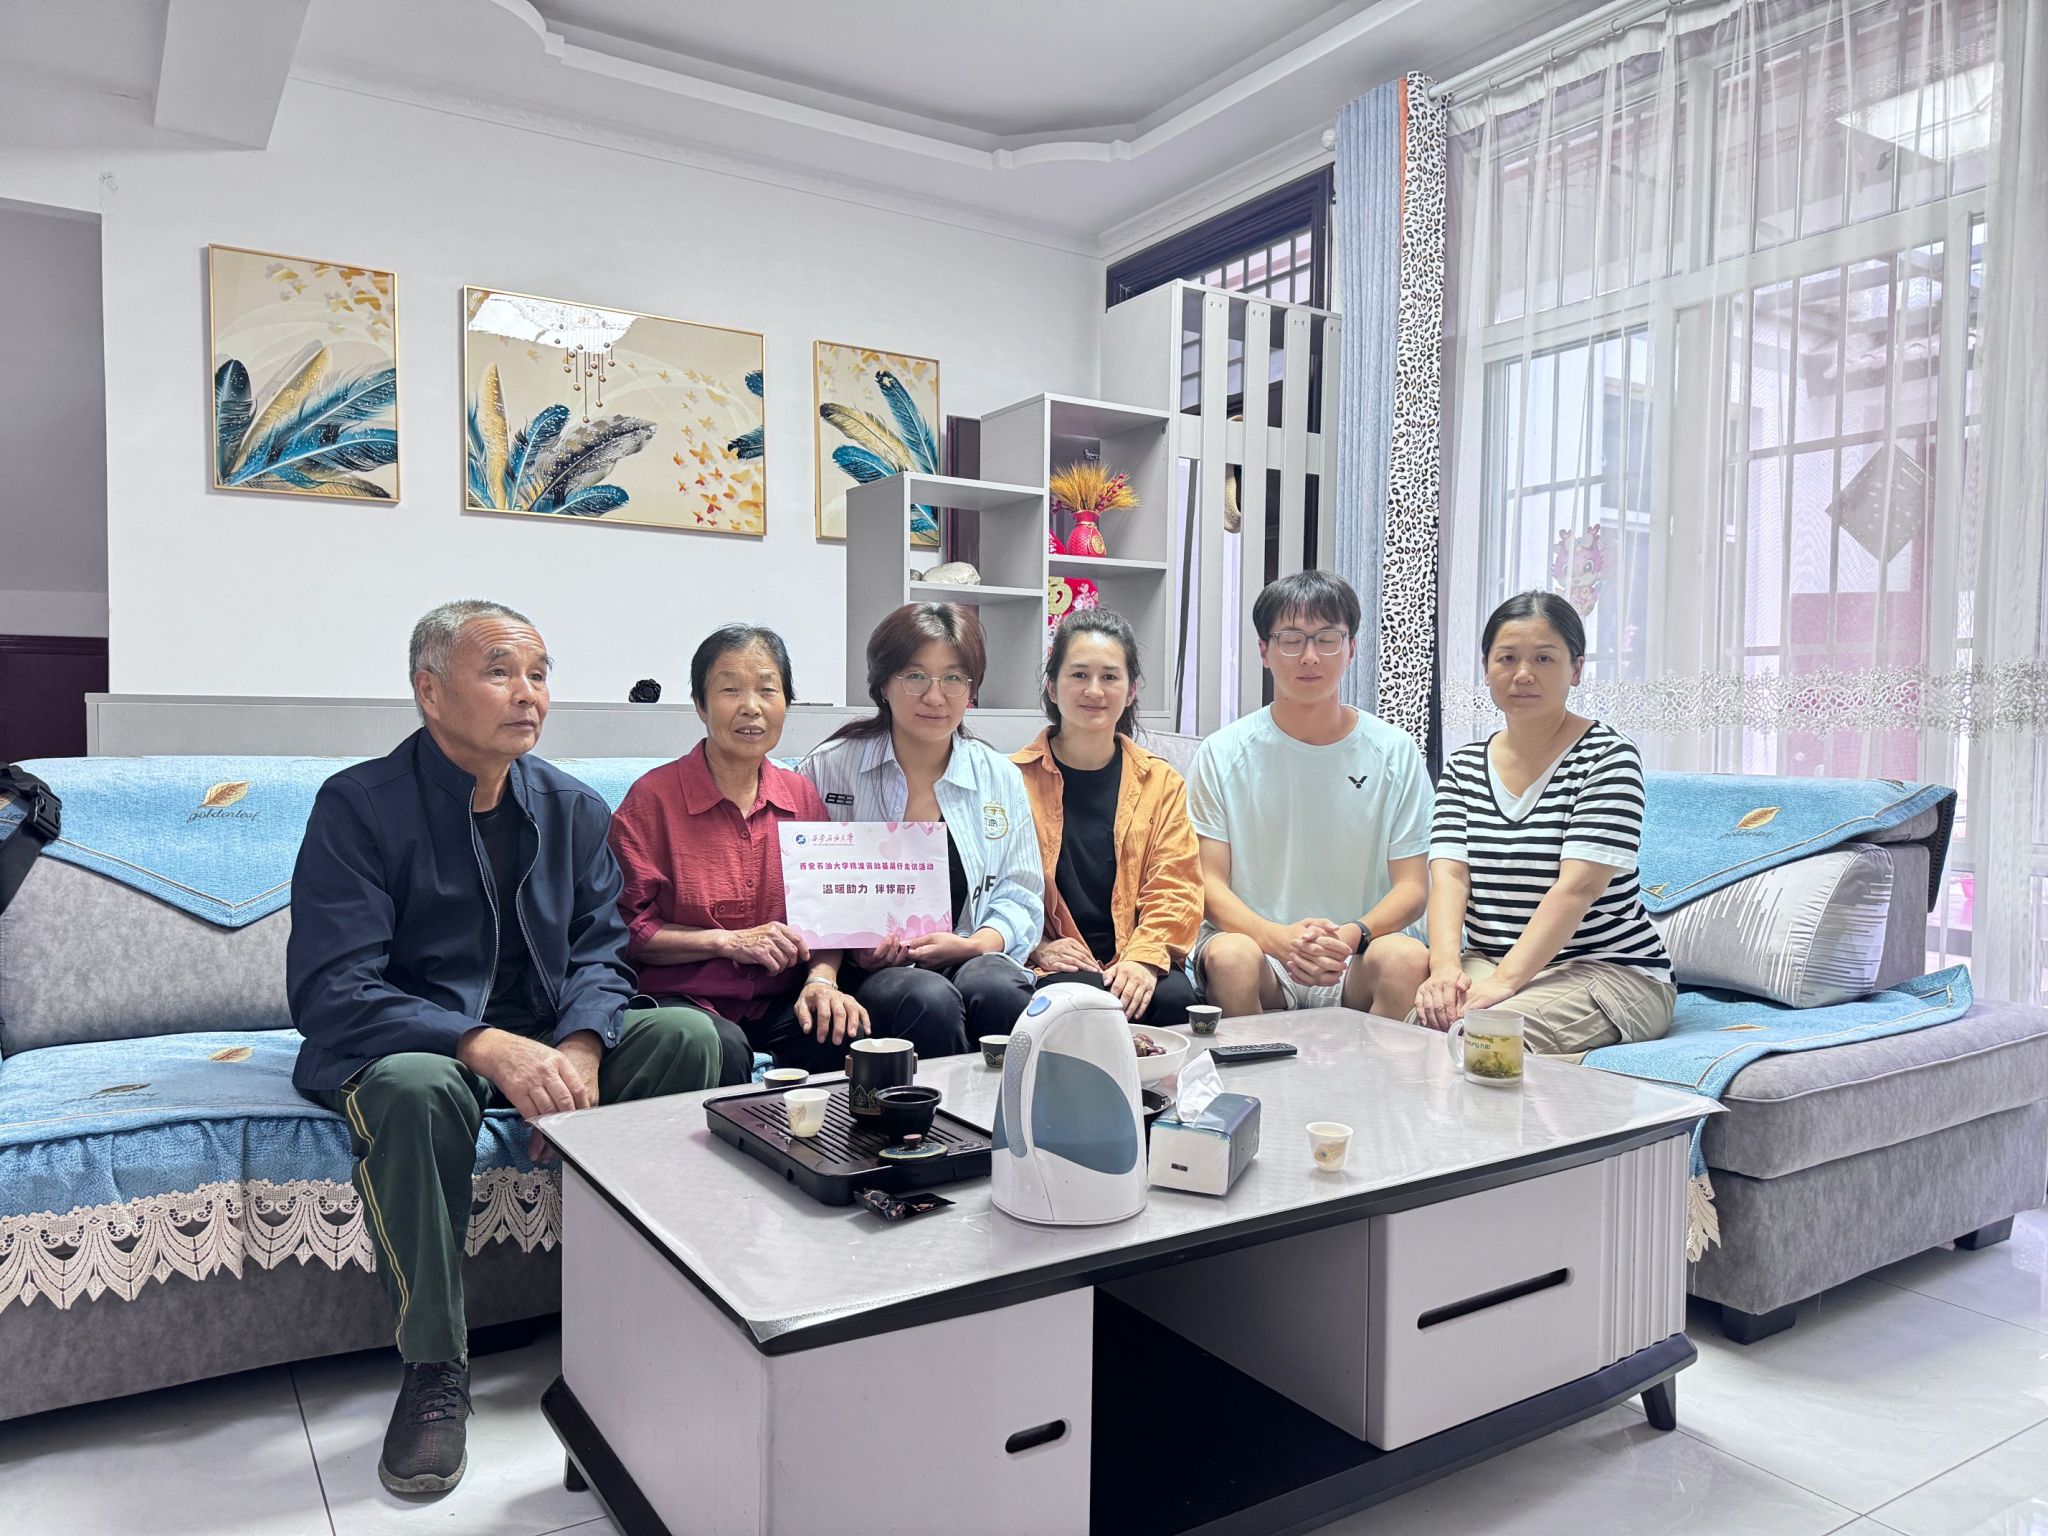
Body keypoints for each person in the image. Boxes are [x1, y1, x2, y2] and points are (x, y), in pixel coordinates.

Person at [287, 600, 730, 1497]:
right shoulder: (358, 806)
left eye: (538, 674)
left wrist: (582, 1049)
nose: (529, 694)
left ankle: (641, 1329)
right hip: (418, 1047)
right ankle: (434, 1371)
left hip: (546, 1037)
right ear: (430, 692)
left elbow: (603, 953)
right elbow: (332, 988)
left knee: (689, 1036)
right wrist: (485, 1046)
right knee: (418, 1089)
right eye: (500, 672)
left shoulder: (571, 807)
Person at [1389, 591, 1675, 1057]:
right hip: (1490, 961)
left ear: (1576, 669)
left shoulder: (1608, 757)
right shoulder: (1464, 767)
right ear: (1486, 668)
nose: (1523, 674)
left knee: (1484, 1040)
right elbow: (1451, 878)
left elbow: (1578, 889)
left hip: (1609, 971)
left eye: (1544, 658)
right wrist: (1444, 969)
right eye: (1507, 658)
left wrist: (1504, 983)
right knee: (1418, 1034)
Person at [608, 624, 877, 1075]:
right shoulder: (652, 800)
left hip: (779, 1000)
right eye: (730, 690)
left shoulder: (802, 797)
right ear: (700, 705)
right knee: (724, 1047)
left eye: (767, 690)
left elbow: (830, 917)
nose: (751, 707)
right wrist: (727, 942)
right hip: (685, 1001)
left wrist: (821, 980)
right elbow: (626, 929)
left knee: (851, 1031)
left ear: (786, 703)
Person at [1187, 570, 1433, 1018]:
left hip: (1358, 951)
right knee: (1230, 957)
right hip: (1261, 949)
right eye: (1291, 640)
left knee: (1406, 959)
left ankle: (1377, 1068)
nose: (1310, 657)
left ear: (1351, 648)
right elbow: (1208, 884)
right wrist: (1278, 939)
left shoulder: (1395, 752)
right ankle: (1253, 1067)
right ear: (1264, 651)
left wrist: (1352, 934)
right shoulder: (1222, 753)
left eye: (1327, 639)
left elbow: (1414, 886)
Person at [801, 602, 1043, 1051]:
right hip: (867, 971)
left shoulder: (999, 776)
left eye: (954, 678)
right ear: (883, 684)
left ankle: (1007, 1098)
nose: (935, 696)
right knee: (927, 997)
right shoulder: (828, 769)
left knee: (998, 989)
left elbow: (1021, 892)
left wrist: (976, 945)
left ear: (971, 689)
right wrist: (854, 947)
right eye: (915, 676)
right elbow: (805, 887)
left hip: (972, 952)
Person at [1012, 609, 1203, 1024]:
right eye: (1079, 675)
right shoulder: (1011, 780)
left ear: (1131, 691)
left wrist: (1143, 958)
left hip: (1135, 953)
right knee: (1068, 1000)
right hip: (1052, 961)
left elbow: (1176, 887)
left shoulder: (1161, 783)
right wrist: (1037, 946)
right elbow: (996, 887)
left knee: (1173, 997)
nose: (1094, 690)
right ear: (1052, 686)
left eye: (1110, 677)